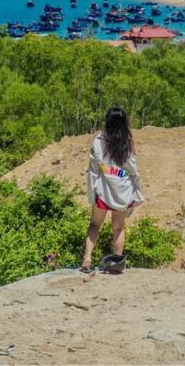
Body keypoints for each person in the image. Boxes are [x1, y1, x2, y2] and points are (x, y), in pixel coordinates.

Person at [81, 106, 144, 272]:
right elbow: (132, 168)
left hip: (103, 189)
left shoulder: (99, 140)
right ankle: (116, 262)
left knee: (95, 225)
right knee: (118, 228)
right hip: (122, 189)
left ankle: (87, 259)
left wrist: (92, 191)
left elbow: (94, 168)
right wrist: (136, 187)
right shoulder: (127, 142)